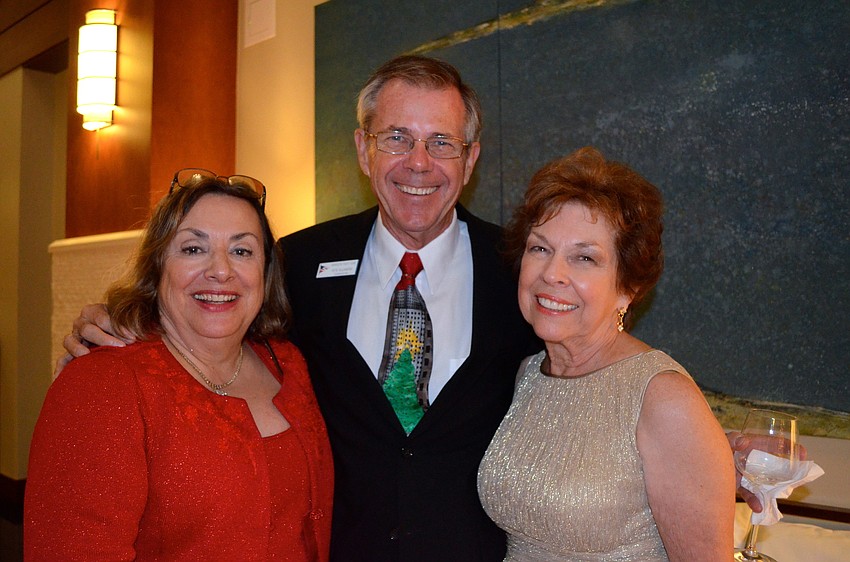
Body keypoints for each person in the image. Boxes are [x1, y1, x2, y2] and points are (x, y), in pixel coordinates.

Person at [57, 56, 759, 561]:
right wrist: (130, 321)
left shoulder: (522, 272)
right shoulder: (294, 263)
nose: (417, 163)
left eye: (440, 143)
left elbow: (595, 381)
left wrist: (702, 449)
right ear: (363, 149)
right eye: (396, 137)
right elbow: (219, 317)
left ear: (470, 157)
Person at [26, 170, 333, 561]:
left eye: (242, 251)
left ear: (265, 272)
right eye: (193, 249)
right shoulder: (101, 383)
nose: (221, 270)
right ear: (157, 266)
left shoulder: (288, 362)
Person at [477, 147, 735, 560]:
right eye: (540, 249)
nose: (552, 274)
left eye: (584, 258)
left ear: (627, 289)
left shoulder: (662, 398)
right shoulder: (528, 374)